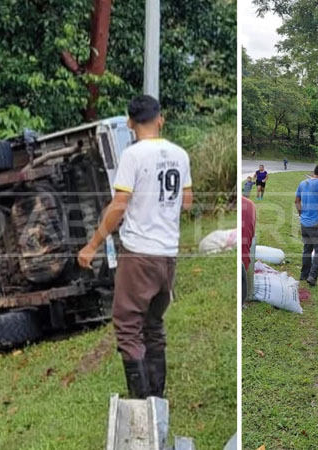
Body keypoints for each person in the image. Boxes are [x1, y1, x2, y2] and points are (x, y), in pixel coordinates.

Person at [77, 94, 192, 400]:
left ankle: (141, 403)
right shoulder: (180, 155)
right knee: (153, 324)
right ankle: (156, 398)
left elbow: (119, 205)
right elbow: (187, 201)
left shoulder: (132, 155)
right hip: (168, 255)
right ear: (160, 119)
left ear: (130, 123)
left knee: (128, 325)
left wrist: (92, 245)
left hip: (139, 254)